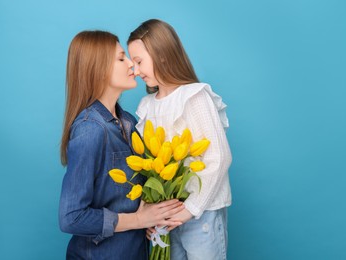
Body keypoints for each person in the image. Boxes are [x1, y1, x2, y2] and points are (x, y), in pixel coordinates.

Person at [59, 30, 184, 260]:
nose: (131, 65)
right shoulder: (90, 130)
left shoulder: (128, 121)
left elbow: (134, 194)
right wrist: (138, 219)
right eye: (121, 58)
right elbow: (71, 217)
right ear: (98, 68)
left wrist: (152, 215)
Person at [128, 19, 232, 260]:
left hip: (201, 213)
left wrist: (191, 208)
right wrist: (151, 213)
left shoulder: (194, 96)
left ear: (162, 54)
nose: (135, 70)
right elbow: (148, 165)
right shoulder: (146, 106)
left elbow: (219, 156)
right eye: (132, 62)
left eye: (139, 61)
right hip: (167, 217)